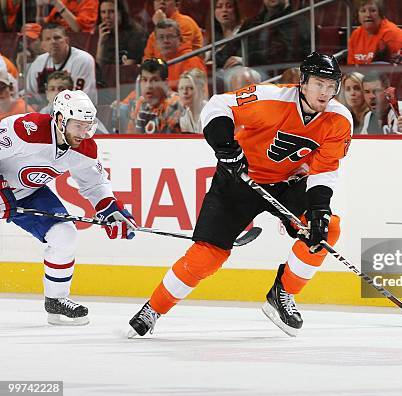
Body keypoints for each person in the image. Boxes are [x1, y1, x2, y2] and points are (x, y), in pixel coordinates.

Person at [127, 52, 352, 338]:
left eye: (331, 85)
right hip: (239, 179)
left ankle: (282, 294)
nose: (325, 92)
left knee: (326, 229)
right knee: (206, 257)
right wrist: (224, 146)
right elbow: (218, 105)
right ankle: (153, 308)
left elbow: (325, 169)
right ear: (303, 82)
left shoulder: (339, 119)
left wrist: (319, 209)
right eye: (319, 83)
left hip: (288, 183)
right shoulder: (269, 99)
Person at [0, 89, 136, 326]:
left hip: (30, 194)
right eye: (79, 126)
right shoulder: (26, 130)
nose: (84, 133)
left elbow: (95, 184)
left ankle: (56, 300)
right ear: (61, 119)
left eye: (88, 126)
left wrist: (111, 211)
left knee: (64, 234)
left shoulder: (84, 149)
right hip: (4, 188)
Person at [25, 23, 97, 108]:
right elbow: (28, 95)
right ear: (43, 45)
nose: (53, 42)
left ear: (67, 41)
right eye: (48, 39)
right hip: (46, 114)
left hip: (80, 116)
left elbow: (80, 101)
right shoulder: (38, 63)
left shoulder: (83, 60)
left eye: (57, 38)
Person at [240, 0, 309, 75]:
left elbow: (285, 57)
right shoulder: (252, 23)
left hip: (279, 75)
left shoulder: (300, 24)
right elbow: (230, 48)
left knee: (243, 75)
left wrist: (246, 60)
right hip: (249, 69)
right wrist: (238, 58)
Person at [127, 58, 182, 134]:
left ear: (165, 84)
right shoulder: (139, 103)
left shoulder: (176, 104)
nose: (148, 86)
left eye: (155, 80)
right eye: (144, 80)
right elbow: (130, 138)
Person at [347, 0, 402, 65]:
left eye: (373, 11)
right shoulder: (355, 35)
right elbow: (351, 67)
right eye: (363, 11)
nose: (368, 15)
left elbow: (398, 70)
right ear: (358, 15)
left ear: (381, 14)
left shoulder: (394, 35)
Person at [153, 19, 207, 91]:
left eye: (170, 36)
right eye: (161, 37)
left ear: (180, 40)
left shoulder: (191, 61)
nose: (165, 41)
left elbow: (196, 94)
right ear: (156, 41)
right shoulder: (157, 62)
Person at [95, 0, 147, 66]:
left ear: (121, 13)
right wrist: (101, 44)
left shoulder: (136, 33)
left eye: (111, 11)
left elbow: (127, 69)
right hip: (105, 74)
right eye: (103, 12)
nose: (106, 16)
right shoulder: (101, 32)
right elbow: (98, 67)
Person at [205, 0, 243, 70]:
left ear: (236, 9)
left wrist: (242, 60)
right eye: (219, 7)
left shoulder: (244, 30)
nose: (224, 10)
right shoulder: (213, 34)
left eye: (229, 6)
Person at [178, 68, 208, 134]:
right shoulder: (184, 119)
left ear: (201, 89)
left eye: (190, 88)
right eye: (181, 88)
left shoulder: (210, 112)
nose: (184, 92)